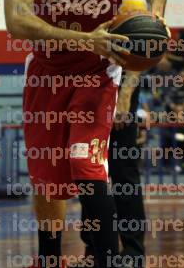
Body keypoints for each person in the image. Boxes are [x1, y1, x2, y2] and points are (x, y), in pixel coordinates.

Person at [3, 0, 167, 268]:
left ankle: (109, 259)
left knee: (86, 162)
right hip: (45, 73)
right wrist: (82, 39)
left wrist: (156, 19)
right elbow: (17, 22)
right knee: (48, 179)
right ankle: (49, 258)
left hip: (96, 74)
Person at [79, 70, 147, 268]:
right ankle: (93, 251)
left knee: (123, 171)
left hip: (120, 83)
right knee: (89, 169)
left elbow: (141, 53)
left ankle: (133, 253)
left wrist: (124, 95)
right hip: (89, 83)